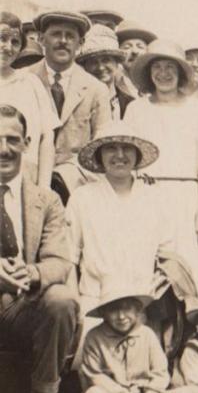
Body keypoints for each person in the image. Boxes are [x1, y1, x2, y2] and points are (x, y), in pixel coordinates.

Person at [0, 104, 78, 393]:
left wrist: (33, 274)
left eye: (12, 140)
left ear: (27, 144)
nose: (3, 149)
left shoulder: (46, 200)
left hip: (21, 306)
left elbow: (60, 261)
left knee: (61, 299)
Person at [66, 121, 164, 354]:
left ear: (137, 155)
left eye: (127, 148)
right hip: (95, 303)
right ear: (100, 155)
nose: (119, 155)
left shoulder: (155, 198)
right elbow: (69, 257)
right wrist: (77, 307)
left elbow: (167, 256)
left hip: (140, 304)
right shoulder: (82, 198)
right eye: (111, 149)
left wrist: (151, 296)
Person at [123, 39, 198, 295]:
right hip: (147, 193)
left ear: (181, 72)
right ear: (149, 73)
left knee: (192, 268)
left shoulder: (197, 110)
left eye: (170, 67)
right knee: (149, 267)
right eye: (157, 67)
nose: (163, 73)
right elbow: (130, 159)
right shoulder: (136, 109)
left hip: (186, 196)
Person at [79, 286, 197, 393]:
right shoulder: (94, 337)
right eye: (113, 310)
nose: (121, 316)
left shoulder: (147, 334)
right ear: (103, 313)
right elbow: (95, 376)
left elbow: (160, 373)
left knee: (190, 391)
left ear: (137, 309)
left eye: (127, 308)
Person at [29, 10, 111, 197]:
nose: (63, 41)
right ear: (41, 39)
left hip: (75, 188)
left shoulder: (96, 89)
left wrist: (64, 176)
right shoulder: (25, 80)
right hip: (28, 184)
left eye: (70, 36)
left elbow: (101, 150)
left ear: (80, 44)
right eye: (56, 34)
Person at [0, 11, 59, 187]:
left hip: (25, 182)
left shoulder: (30, 83)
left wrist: (43, 188)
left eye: (15, 42)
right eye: (2, 38)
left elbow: (47, 136)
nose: (8, 47)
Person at [76, 24, 135, 120]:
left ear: (116, 63)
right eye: (93, 62)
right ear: (85, 67)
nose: (100, 67)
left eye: (106, 60)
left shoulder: (130, 104)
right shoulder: (78, 102)